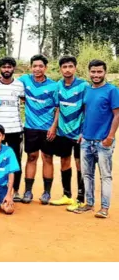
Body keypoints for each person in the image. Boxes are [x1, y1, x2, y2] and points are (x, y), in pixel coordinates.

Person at [74, 59, 119, 218]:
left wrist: (110, 137)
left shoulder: (112, 90)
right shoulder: (87, 90)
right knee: (87, 174)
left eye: (99, 71)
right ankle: (89, 203)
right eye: (93, 71)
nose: (96, 75)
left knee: (105, 175)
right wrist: (82, 132)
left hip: (103, 141)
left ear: (105, 72)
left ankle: (104, 208)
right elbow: (86, 113)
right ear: (89, 72)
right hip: (86, 140)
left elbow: (117, 114)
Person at [17, 54, 59, 205]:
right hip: (30, 128)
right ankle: (28, 191)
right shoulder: (24, 80)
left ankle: (47, 192)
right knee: (31, 157)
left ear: (46, 68)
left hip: (47, 128)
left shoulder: (54, 86)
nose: (37, 69)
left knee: (47, 158)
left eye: (41, 66)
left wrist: (53, 127)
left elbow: (58, 108)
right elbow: (11, 86)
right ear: (31, 67)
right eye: (35, 66)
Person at [52, 56, 87, 210]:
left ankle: (80, 198)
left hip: (79, 133)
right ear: (60, 69)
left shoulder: (83, 85)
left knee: (80, 164)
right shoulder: (58, 85)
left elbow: (87, 110)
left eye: (70, 66)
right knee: (64, 161)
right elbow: (57, 108)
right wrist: (54, 127)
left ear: (75, 68)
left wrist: (84, 131)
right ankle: (67, 195)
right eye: (64, 67)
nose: (67, 70)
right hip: (62, 132)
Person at [0, 57, 25, 201]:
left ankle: (16, 190)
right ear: (0, 69)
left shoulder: (19, 85)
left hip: (15, 129)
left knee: (15, 160)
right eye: (4, 67)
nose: (6, 69)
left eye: (9, 67)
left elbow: (26, 101)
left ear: (13, 68)